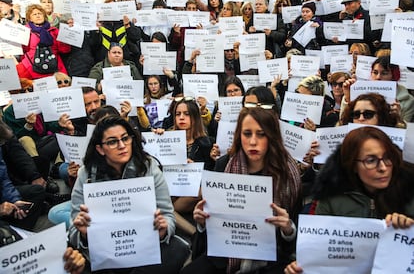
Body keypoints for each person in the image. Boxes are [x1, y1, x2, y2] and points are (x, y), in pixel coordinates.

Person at [182, 107, 301, 274]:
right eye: (247, 134)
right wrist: (202, 223)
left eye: (261, 134)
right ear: (239, 135)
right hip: (225, 254)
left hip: (270, 258)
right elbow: (212, 232)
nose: (253, 141)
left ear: (272, 137)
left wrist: (287, 228)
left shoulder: (287, 173)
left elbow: (294, 238)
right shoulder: (224, 165)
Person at [284, 127, 414, 273]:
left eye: (387, 157)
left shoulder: (409, 194)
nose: (383, 167)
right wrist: (301, 267)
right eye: (371, 160)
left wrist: (408, 230)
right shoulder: (330, 199)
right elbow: (317, 253)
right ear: (352, 165)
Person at [68, 116, 189, 273]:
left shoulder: (149, 167)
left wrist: (163, 230)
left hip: (144, 244)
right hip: (106, 249)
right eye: (112, 142)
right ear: (100, 149)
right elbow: (73, 230)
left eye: (125, 138)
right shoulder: (86, 174)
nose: (122, 145)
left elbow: (167, 214)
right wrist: (83, 235)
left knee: (178, 248)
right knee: (71, 259)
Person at [17, 4, 71, 79]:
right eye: (34, 14)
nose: (38, 16)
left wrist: (66, 35)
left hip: (53, 68)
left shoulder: (54, 31)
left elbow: (65, 50)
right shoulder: (25, 32)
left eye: (40, 13)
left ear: (44, 16)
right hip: (32, 68)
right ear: (30, 19)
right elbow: (22, 50)